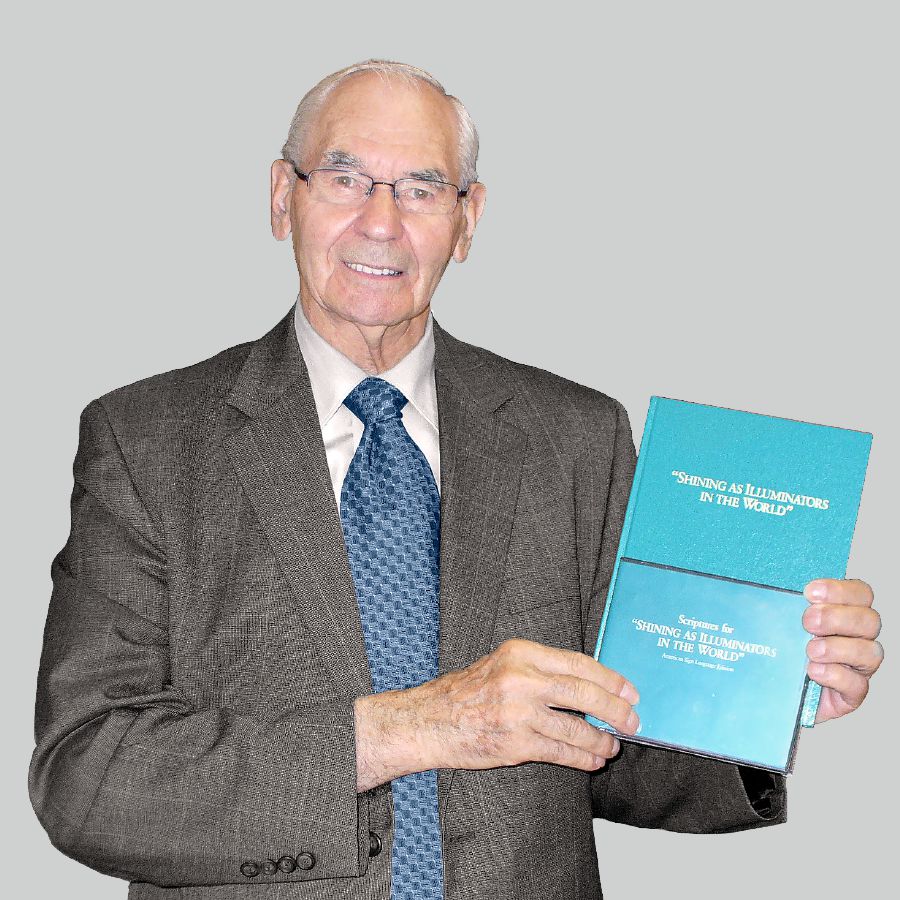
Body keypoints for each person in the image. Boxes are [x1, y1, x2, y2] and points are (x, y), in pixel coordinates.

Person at [28, 60, 883, 900]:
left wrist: (764, 686)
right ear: (282, 197)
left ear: (467, 222)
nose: (381, 223)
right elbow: (89, 776)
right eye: (345, 177)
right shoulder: (146, 440)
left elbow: (618, 747)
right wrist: (416, 727)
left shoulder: (576, 435)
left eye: (422, 189)